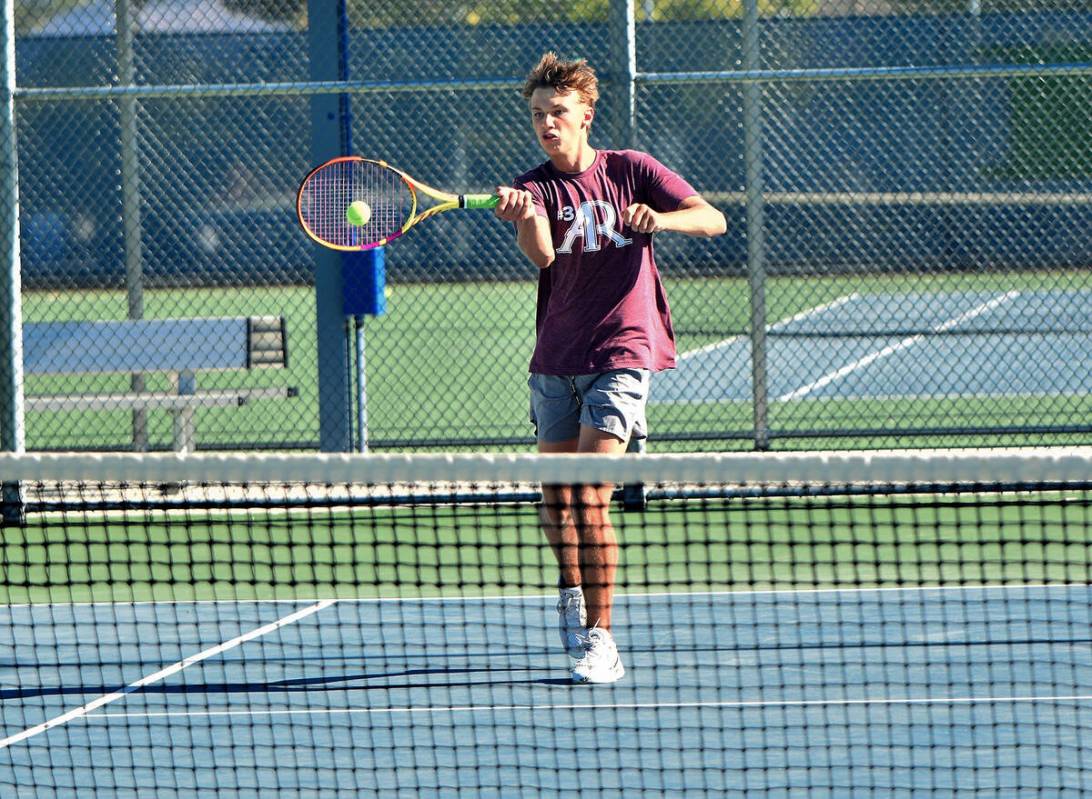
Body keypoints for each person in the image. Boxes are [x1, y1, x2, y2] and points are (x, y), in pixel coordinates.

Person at [493, 52, 727, 684]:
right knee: (556, 498)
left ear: (585, 116)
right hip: (556, 359)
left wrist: (662, 218)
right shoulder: (534, 185)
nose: (547, 123)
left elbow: (714, 218)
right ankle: (570, 587)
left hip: (622, 354)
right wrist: (527, 216)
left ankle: (602, 638)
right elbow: (543, 256)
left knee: (592, 499)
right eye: (538, 114)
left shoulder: (631, 170)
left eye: (558, 113)